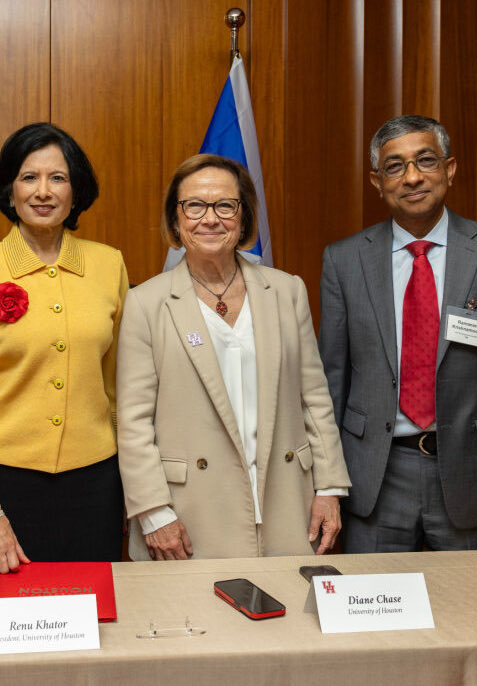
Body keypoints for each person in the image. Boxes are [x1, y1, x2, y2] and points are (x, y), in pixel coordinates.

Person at [319, 114, 477, 554]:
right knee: (374, 618)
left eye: (425, 161)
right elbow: (330, 387)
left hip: (476, 486)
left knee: (474, 619)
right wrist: (325, 487)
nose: (411, 177)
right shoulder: (344, 261)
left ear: (449, 169)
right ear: (377, 180)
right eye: (395, 166)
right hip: (372, 484)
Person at [116, 154, 350, 560]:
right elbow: (133, 422)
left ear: (243, 219)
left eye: (225, 205)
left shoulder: (287, 291)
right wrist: (153, 513)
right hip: (187, 513)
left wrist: (328, 488)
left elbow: (314, 398)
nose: (210, 219)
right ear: (176, 220)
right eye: (194, 206)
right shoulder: (146, 302)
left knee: (289, 618)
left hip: (286, 500)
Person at [0, 123, 128, 573]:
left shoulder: (109, 264)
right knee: (7, 625)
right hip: (3, 488)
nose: (43, 192)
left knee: (92, 624)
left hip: (97, 484)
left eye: (58, 178)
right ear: (10, 190)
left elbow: (120, 388)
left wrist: (133, 491)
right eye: (29, 177)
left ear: (75, 191)